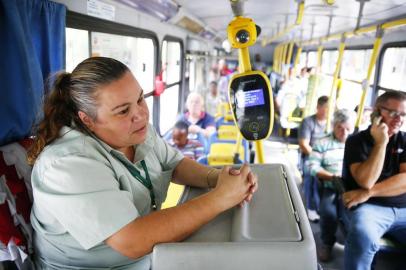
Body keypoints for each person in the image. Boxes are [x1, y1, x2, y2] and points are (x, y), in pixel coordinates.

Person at [27, 57, 258, 269]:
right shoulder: (67, 165)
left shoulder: (137, 131)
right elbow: (132, 240)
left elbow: (174, 163)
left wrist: (218, 179)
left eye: (140, 99)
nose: (140, 114)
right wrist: (221, 198)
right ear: (87, 120)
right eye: (123, 110)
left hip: (146, 258)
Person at [342, 91, 406, 270]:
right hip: (371, 209)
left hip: (402, 208)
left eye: (403, 115)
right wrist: (381, 143)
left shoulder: (405, 140)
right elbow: (366, 180)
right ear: (377, 112)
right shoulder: (356, 141)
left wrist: (368, 193)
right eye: (393, 113)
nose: (399, 120)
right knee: (363, 235)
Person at [309, 109, 355, 262]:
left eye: (348, 128)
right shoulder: (322, 143)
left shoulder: (356, 143)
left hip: (352, 187)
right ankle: (327, 243)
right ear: (334, 126)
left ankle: (354, 245)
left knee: (354, 215)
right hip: (330, 185)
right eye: (340, 128)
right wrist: (332, 177)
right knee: (329, 213)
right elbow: (312, 167)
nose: (344, 132)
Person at [298, 95, 329, 221]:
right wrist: (318, 158)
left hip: (328, 156)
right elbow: (304, 144)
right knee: (311, 173)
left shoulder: (332, 124)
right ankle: (311, 207)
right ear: (319, 108)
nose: (329, 111)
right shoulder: (308, 122)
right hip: (311, 155)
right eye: (326, 108)